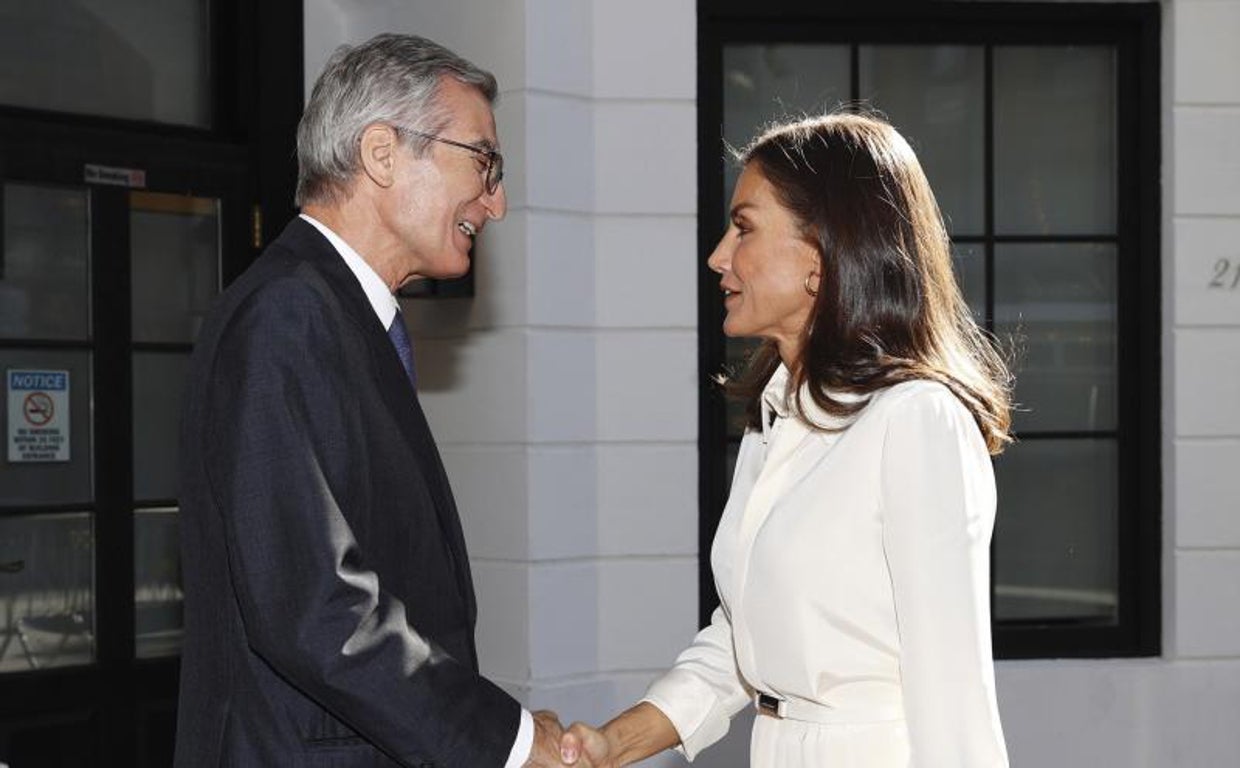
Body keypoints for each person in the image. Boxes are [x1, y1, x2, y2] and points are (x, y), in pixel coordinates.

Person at [176, 34, 584, 767]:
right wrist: (511, 743)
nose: (497, 202)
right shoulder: (287, 316)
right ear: (383, 153)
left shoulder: (335, 314)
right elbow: (317, 610)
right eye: (484, 160)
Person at [561, 112, 1013, 766]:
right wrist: (612, 744)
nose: (719, 256)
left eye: (743, 227)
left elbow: (953, 693)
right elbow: (746, 642)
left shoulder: (916, 420)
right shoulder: (779, 411)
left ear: (822, 254)